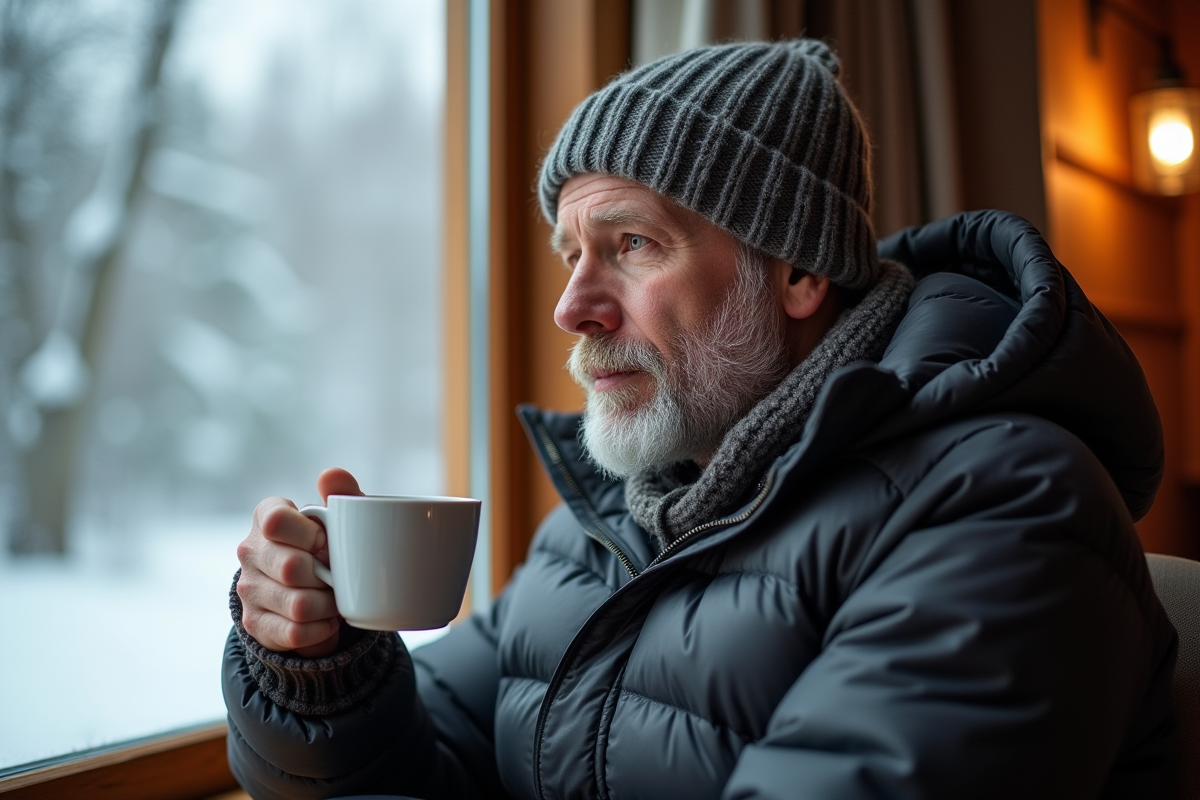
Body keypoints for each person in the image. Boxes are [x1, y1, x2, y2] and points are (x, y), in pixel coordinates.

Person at [223, 39, 1178, 799]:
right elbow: (432, 766)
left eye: (632, 243)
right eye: (571, 254)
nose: (572, 307)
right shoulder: (606, 526)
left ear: (799, 270)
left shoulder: (1002, 506)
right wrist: (320, 669)